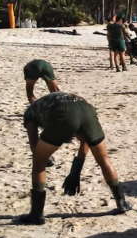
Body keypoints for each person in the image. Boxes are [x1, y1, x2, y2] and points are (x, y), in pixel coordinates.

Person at [18, 92, 131, 225]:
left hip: (64, 113)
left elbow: (34, 147)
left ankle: (36, 214)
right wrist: (75, 171)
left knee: (38, 162)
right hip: (87, 109)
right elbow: (85, 141)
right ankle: (121, 203)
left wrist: (45, 159)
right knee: (103, 159)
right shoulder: (49, 105)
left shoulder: (29, 113)